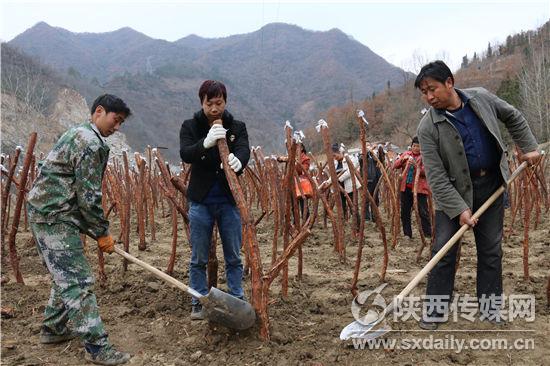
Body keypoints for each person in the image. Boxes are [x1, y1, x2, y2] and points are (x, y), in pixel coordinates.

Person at [415, 60, 540, 330]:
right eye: (424, 92)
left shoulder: (481, 98)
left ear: (450, 82)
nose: (429, 97)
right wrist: (459, 209)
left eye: (432, 89)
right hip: (454, 193)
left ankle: (490, 309)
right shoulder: (428, 127)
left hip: (491, 186)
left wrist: (529, 146)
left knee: (491, 250)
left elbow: (513, 116)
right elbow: (435, 176)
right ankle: (435, 311)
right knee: (444, 250)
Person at [27, 94, 132, 365]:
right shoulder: (88, 142)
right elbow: (89, 196)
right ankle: (98, 348)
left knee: (64, 275)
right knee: (78, 281)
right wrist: (101, 232)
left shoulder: (80, 134)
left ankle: (54, 328)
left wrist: (95, 229)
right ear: (99, 111)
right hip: (54, 215)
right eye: (115, 120)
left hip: (49, 212)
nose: (117, 127)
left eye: (121, 123)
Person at [179, 80, 250, 320]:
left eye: (219, 103)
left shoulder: (236, 126)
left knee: (233, 255)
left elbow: (243, 149)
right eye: (210, 103)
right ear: (202, 103)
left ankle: (237, 298)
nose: (215, 108)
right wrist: (206, 142)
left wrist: (239, 161)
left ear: (225, 102)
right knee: (198, 256)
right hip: (200, 201)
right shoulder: (191, 126)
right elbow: (186, 153)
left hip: (229, 201)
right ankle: (198, 301)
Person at [392, 136, 432, 239]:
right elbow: (395, 166)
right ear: (411, 146)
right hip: (406, 188)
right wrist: (402, 160)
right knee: (405, 212)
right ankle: (407, 234)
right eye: (414, 146)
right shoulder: (406, 154)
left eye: (418, 146)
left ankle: (427, 233)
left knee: (423, 212)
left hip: (420, 190)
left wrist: (416, 166)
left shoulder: (425, 157)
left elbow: (427, 172)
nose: (416, 148)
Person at [360, 144, 382, 222]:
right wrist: (368, 150)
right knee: (366, 200)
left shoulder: (373, 154)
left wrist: (372, 152)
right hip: (367, 181)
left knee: (375, 199)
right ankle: (366, 217)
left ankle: (375, 217)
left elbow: (378, 160)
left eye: (369, 145)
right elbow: (362, 159)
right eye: (366, 146)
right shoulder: (362, 155)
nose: (368, 147)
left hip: (375, 180)